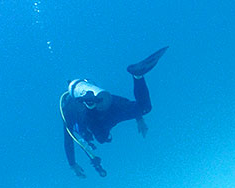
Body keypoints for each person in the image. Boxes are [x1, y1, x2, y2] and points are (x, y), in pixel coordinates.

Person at [60, 47, 169, 178]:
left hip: (98, 120)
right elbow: (123, 101)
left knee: (101, 137)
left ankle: (90, 105)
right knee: (144, 107)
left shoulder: (67, 110)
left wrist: (73, 164)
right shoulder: (98, 96)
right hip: (109, 110)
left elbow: (68, 140)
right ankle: (138, 76)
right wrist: (138, 117)